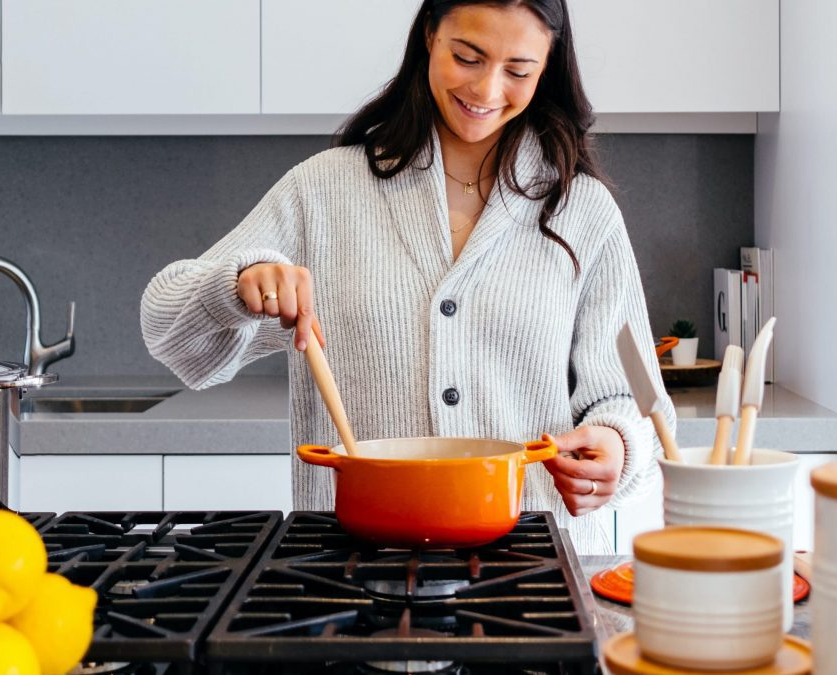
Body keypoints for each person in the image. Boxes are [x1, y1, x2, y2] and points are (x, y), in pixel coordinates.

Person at [141, 0, 675, 554]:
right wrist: (237, 284)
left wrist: (618, 445)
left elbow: (637, 401)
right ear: (429, 36)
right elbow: (169, 333)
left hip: (537, 569)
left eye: (518, 71)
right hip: (349, 569)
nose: (488, 91)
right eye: (468, 57)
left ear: (547, 68)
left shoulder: (581, 210)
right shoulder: (323, 192)